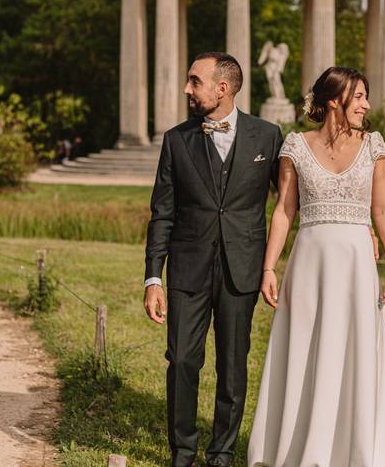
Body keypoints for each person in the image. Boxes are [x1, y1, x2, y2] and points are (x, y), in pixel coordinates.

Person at [247, 66, 385, 467]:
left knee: (354, 353)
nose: (367, 105)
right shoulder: (296, 146)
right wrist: (269, 268)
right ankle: (297, 451)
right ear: (335, 99)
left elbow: (383, 209)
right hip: (310, 263)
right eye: (360, 96)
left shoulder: (374, 146)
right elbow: (283, 210)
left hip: (356, 266)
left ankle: (353, 453)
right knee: (305, 351)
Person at [143, 52, 284, 467]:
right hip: (188, 269)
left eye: (194, 81)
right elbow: (162, 213)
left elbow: (291, 201)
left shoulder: (268, 136)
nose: (187, 89)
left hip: (242, 268)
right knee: (183, 360)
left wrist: (352, 222)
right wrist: (154, 277)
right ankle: (182, 453)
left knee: (232, 367)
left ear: (222, 88)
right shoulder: (175, 139)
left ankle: (221, 453)